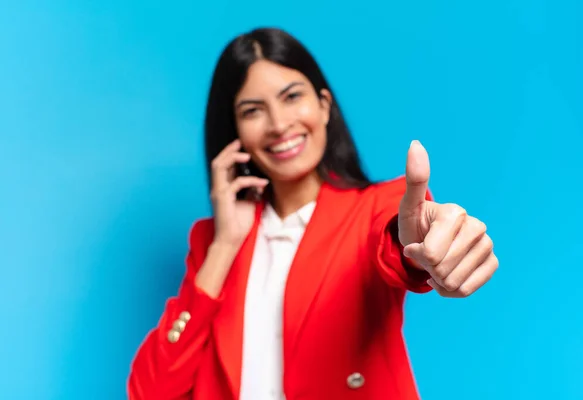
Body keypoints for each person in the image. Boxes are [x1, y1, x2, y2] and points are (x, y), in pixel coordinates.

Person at [127, 27, 498, 400]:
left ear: (323, 105)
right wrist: (223, 246)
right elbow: (150, 392)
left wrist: (427, 244)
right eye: (253, 110)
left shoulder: (375, 209)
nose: (278, 124)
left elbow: (394, 241)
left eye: (292, 97)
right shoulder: (212, 240)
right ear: (235, 131)